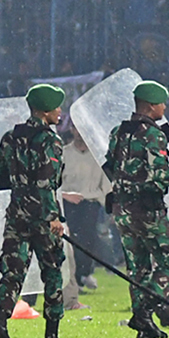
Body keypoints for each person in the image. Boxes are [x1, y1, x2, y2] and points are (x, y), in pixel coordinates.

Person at [104, 81, 169, 338]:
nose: (165, 107)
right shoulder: (153, 134)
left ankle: (145, 326)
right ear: (151, 105)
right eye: (162, 103)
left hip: (121, 208)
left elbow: (110, 165)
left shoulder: (119, 131)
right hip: (146, 210)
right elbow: (158, 171)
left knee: (138, 267)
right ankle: (144, 312)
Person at [0, 84, 67, 338]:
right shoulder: (52, 141)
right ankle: (51, 332)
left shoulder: (11, 136)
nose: (60, 111)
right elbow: (47, 183)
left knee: (12, 271)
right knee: (52, 270)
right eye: (56, 107)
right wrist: (54, 218)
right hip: (43, 215)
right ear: (45, 111)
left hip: (17, 214)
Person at [60, 124, 109, 292]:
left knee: (88, 240)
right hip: (68, 203)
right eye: (76, 129)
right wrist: (63, 195)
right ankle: (73, 278)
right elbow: (55, 180)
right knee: (70, 241)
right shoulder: (63, 153)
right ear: (72, 131)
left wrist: (108, 205)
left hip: (90, 202)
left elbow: (106, 182)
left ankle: (84, 273)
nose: (79, 134)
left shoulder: (98, 155)